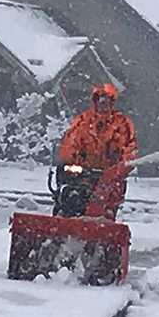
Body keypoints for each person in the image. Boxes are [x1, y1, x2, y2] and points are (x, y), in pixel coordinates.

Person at [58, 83, 137, 218]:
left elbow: (130, 150)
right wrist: (70, 160)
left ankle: (104, 219)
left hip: (109, 176)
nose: (103, 102)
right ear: (94, 100)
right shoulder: (82, 121)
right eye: (100, 98)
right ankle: (64, 216)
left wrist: (119, 168)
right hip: (82, 172)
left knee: (107, 201)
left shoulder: (122, 124)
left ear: (113, 102)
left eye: (107, 99)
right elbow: (70, 142)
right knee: (68, 192)